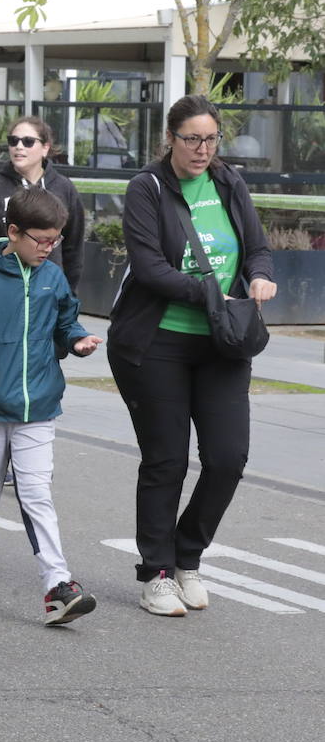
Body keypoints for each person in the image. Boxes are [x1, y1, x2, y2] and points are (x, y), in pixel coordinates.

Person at [106, 94, 276, 618]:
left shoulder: (229, 183)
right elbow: (151, 268)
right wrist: (211, 296)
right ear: (171, 138)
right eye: (191, 139)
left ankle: (188, 556)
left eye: (210, 139)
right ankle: (156, 572)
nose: (202, 149)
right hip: (157, 343)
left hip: (221, 342)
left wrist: (260, 275)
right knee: (167, 460)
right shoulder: (147, 189)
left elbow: (256, 247)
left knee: (228, 458)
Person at [0, 188, 101, 625]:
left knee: (37, 494)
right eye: (41, 239)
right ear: (12, 232)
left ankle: (58, 584)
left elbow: (66, 320)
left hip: (40, 403)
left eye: (55, 240)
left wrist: (77, 340)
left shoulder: (52, 277)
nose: (48, 248)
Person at [0, 116, 85, 290]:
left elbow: (73, 249)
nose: (19, 146)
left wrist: (68, 296)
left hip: (49, 292)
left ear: (45, 148)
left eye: (28, 141)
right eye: (13, 141)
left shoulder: (65, 189)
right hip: (0, 290)